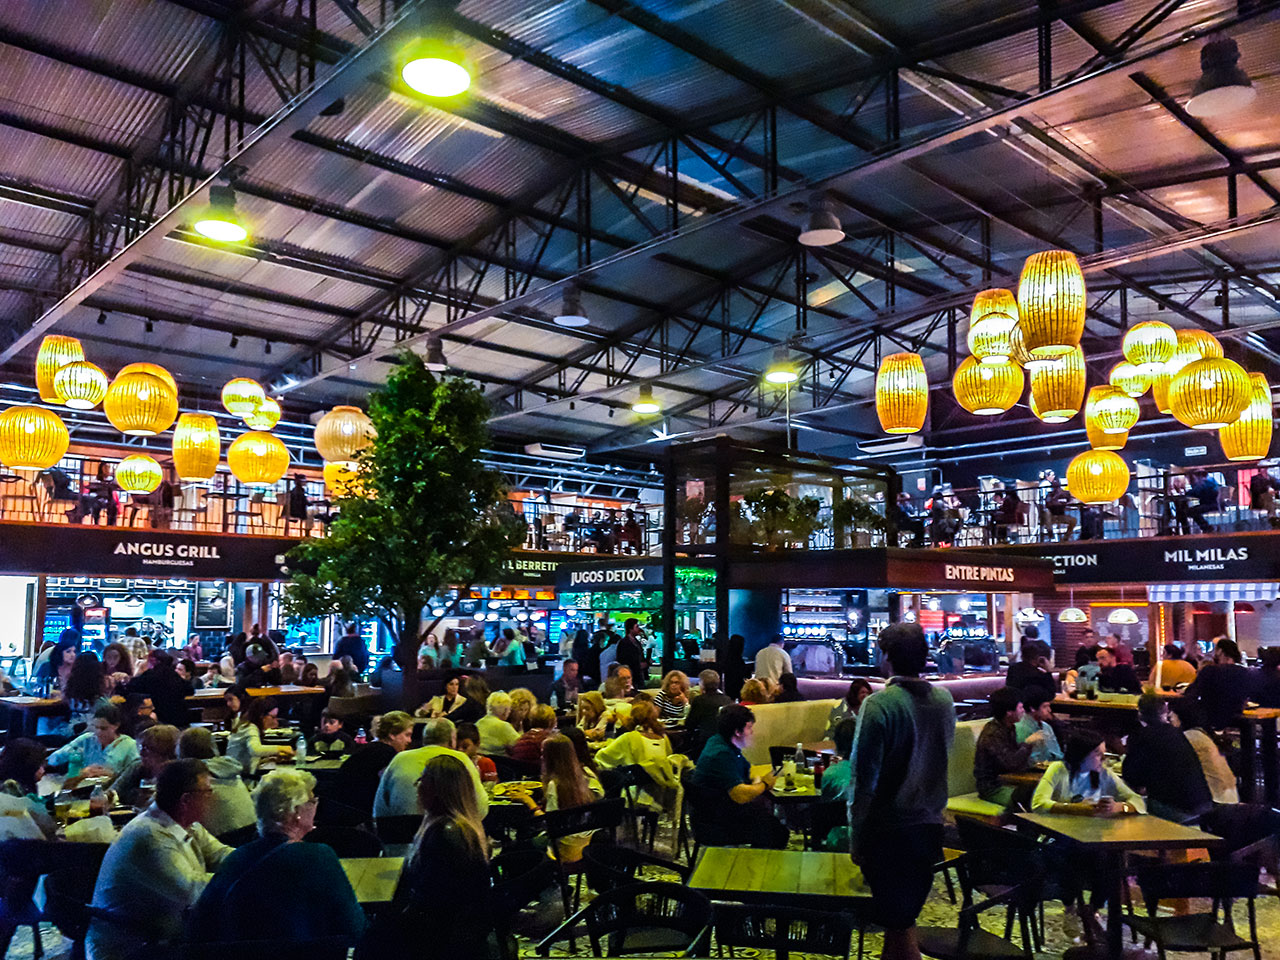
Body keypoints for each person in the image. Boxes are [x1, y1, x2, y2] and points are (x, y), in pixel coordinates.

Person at [847, 622, 956, 960]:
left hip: (888, 829)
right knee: (902, 922)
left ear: (886, 657)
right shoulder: (945, 700)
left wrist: (856, 836)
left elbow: (864, 780)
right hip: (930, 826)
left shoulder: (879, 705)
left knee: (898, 922)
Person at [187, 769, 364, 955]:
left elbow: (202, 923)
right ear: (296, 812)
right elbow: (354, 926)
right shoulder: (319, 856)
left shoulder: (236, 858)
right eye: (312, 801)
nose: (315, 806)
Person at [87, 759, 232, 960]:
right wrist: (245, 879)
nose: (212, 797)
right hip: (130, 948)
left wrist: (259, 860)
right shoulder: (151, 837)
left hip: (158, 936)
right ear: (186, 800)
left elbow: (221, 854)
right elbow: (194, 891)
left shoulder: (185, 824)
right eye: (207, 791)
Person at [370, 755, 493, 957]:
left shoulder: (444, 834)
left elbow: (431, 902)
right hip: (462, 933)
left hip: (440, 939)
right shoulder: (465, 828)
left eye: (422, 781)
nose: (416, 787)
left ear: (436, 790)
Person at [690, 703, 788, 849]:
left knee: (768, 820)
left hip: (710, 813)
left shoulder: (718, 742)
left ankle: (753, 863)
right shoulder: (722, 754)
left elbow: (747, 771)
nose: (752, 732)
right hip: (715, 823)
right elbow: (740, 795)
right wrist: (765, 784)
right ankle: (755, 867)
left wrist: (758, 781)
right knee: (777, 832)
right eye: (749, 728)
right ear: (737, 731)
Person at [509, 734, 605, 860]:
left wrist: (529, 802)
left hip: (561, 848)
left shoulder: (554, 785)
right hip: (586, 843)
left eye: (543, 754)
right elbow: (600, 796)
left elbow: (549, 823)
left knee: (514, 848)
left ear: (551, 758)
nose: (541, 757)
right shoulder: (587, 774)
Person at [1123, 693, 1214, 822]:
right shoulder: (1177, 734)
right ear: (1165, 712)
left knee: (1136, 807)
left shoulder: (1142, 736)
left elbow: (1131, 776)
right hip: (1202, 804)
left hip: (1175, 808)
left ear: (1140, 714)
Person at [373, 717, 488, 819]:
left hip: (401, 836)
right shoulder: (460, 759)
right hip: (446, 835)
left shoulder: (400, 758)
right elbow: (481, 807)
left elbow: (380, 806)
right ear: (452, 740)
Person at [1031, 731, 1145, 815]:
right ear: (1081, 754)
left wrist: (1120, 807)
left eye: (1104, 753)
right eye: (1097, 754)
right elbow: (1038, 804)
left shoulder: (1104, 773)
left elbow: (1138, 800)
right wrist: (1076, 808)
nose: (1103, 759)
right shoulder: (1059, 769)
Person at [176, 727, 256, 838]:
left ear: (181, 748)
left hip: (223, 836)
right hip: (251, 829)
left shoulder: (191, 773)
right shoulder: (226, 766)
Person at [974, 686, 1045, 807]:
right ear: (1009, 712)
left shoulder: (1009, 727)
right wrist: (1028, 743)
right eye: (1020, 707)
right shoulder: (992, 734)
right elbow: (1011, 763)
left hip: (1007, 782)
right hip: (992, 788)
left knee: (1043, 791)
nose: (1023, 711)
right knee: (1031, 799)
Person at [1168, 699, 1238, 805]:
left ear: (1180, 717)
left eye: (1171, 717)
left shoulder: (1190, 738)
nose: (1170, 721)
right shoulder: (1201, 734)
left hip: (1215, 801)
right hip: (1229, 797)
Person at [47, 703, 139, 781]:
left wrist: (113, 774)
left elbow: (135, 775)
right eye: (95, 727)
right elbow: (56, 757)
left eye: (103, 728)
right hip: (83, 787)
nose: (98, 732)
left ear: (116, 726)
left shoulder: (129, 745)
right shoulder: (87, 739)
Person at [1185, 637, 1257, 728]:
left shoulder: (1209, 671)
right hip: (1235, 716)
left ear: (1220, 652)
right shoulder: (1246, 672)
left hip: (1210, 717)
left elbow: (1192, 692)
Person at [111, 724, 179, 808]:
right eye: (141, 747)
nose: (141, 753)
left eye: (147, 748)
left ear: (163, 751)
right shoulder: (137, 767)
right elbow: (113, 790)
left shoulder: (176, 774)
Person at [0, 739, 56, 838]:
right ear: (27, 767)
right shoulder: (11, 788)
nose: (43, 770)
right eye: (39, 766)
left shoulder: (22, 785)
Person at [124, 649, 193, 727]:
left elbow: (129, 688)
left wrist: (138, 671)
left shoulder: (149, 675)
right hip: (179, 719)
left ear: (153, 661)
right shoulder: (173, 674)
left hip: (158, 720)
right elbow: (190, 690)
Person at [227, 697, 292, 776]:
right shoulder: (250, 728)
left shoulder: (247, 725)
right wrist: (281, 748)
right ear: (262, 716)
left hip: (240, 773)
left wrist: (267, 759)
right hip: (238, 777)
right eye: (273, 717)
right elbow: (255, 750)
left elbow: (248, 756)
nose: (275, 721)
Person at [684, 669, 732, 755]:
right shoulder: (727, 700)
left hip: (704, 743)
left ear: (702, 684)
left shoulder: (699, 700)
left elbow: (690, 724)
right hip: (725, 742)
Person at [1015, 688, 1063, 764]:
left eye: (1049, 706)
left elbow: (1058, 755)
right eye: (1045, 707)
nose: (1049, 710)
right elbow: (1020, 759)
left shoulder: (1046, 727)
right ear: (1032, 708)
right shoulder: (1020, 728)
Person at [1186, 468, 1219, 533]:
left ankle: (1206, 528)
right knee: (1192, 511)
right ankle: (1206, 527)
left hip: (1210, 505)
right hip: (1215, 504)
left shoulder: (1204, 482)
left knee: (1191, 511)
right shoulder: (1211, 480)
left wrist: (1186, 494)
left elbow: (1196, 492)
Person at [616, 617, 646, 683]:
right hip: (630, 675)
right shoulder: (624, 643)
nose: (639, 629)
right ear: (630, 629)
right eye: (636, 627)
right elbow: (622, 659)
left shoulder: (636, 642)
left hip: (638, 675)